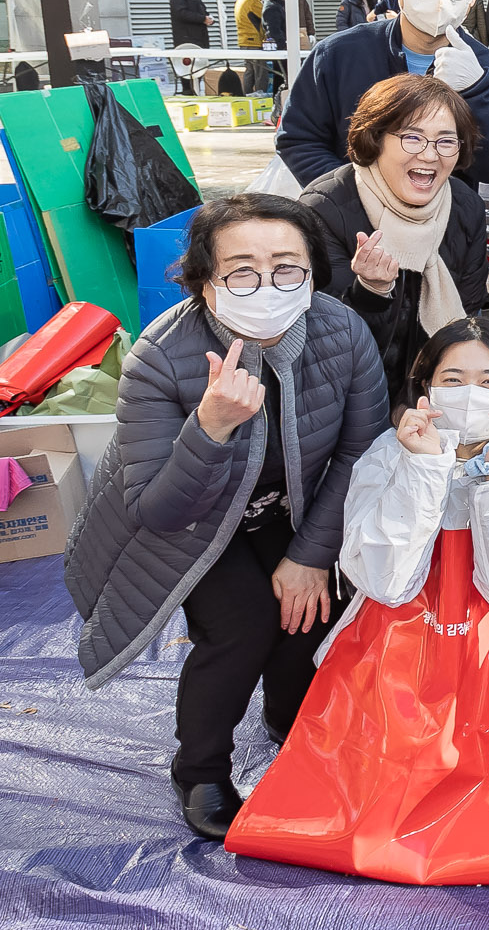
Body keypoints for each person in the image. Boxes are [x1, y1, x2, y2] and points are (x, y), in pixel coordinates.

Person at [62, 194, 392, 840]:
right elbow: (158, 507)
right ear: (204, 280)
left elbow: (362, 452)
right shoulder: (160, 355)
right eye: (241, 269)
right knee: (242, 623)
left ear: (314, 274)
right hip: (187, 519)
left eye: (287, 267)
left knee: (312, 609)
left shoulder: (342, 332)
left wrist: (310, 556)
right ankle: (201, 767)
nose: (265, 285)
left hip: (284, 507)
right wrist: (208, 427)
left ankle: (291, 716)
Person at [277, 0, 489, 189]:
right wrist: (353, 195)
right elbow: (298, 138)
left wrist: (477, 92)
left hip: (447, 223)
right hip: (347, 224)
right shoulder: (338, 55)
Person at [299, 75, 489, 405]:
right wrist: (370, 292)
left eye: (446, 141)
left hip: (432, 392)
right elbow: (319, 341)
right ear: (375, 137)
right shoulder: (325, 208)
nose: (430, 156)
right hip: (346, 397)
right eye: (412, 138)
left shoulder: (464, 205)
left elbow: (469, 314)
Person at [168, 0, 211, 93]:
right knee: (187, 69)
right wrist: (202, 18)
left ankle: (195, 91)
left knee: (200, 67)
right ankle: (188, 92)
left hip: (200, 37)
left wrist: (208, 18)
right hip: (186, 38)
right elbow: (182, 13)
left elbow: (201, 12)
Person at [236, 0, 268, 93]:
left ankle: (247, 95)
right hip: (254, 40)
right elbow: (265, 16)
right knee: (260, 72)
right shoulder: (253, 1)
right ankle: (260, 96)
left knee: (250, 71)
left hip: (244, 40)